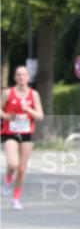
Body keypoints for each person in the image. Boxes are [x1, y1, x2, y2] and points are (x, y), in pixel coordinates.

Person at [1, 64, 44, 209]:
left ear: (28, 77)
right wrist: (7, 116)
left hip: (27, 133)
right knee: (13, 163)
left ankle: (16, 199)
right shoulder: (8, 93)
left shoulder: (34, 94)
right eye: (18, 74)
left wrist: (28, 110)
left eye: (23, 74)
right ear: (15, 78)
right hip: (10, 132)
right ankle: (7, 180)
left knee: (21, 169)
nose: (21, 77)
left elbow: (40, 116)